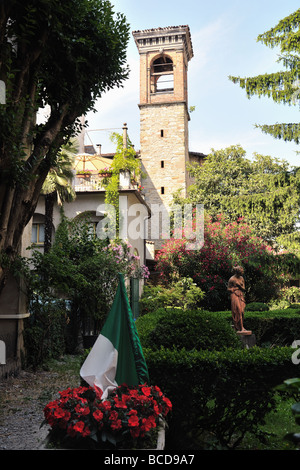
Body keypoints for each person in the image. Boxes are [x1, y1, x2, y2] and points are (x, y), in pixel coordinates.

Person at [227, 266, 249, 333]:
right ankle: (241, 328)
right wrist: (234, 289)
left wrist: (239, 286)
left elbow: (244, 288)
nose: (242, 273)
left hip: (240, 295)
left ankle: (240, 327)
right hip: (234, 295)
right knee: (238, 310)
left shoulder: (242, 278)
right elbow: (228, 289)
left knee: (242, 311)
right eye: (241, 272)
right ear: (238, 272)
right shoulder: (232, 279)